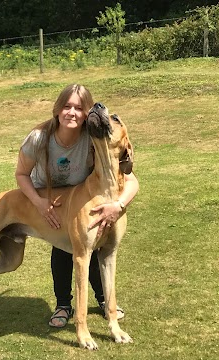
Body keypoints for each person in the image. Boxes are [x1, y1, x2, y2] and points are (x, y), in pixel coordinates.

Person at [15, 84, 139, 328]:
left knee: (91, 246)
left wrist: (118, 204)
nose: (71, 112)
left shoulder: (92, 137)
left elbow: (131, 179)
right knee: (64, 248)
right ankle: (64, 304)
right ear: (57, 109)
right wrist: (39, 203)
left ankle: (104, 301)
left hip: (80, 192)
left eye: (78, 108)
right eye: (66, 106)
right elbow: (21, 174)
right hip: (48, 196)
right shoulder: (39, 137)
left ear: (86, 114)